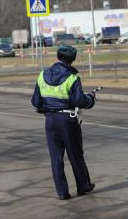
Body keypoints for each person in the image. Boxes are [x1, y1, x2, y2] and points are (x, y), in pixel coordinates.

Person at [31, 45, 96, 200]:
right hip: (67, 120)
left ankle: (62, 192)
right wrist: (91, 99)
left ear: (57, 57)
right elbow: (78, 100)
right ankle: (83, 186)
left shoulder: (42, 75)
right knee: (75, 154)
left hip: (50, 120)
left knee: (56, 157)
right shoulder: (72, 78)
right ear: (72, 60)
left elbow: (35, 101)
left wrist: (46, 108)